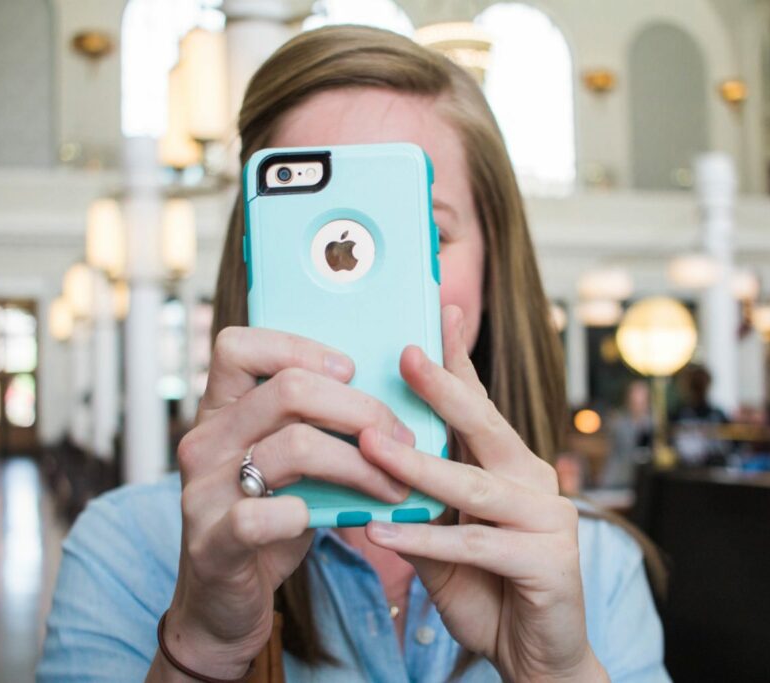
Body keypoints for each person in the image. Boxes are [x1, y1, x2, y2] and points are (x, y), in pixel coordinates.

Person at [38, 26, 668, 682]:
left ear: (492, 265)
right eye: (326, 239)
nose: (362, 277)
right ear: (251, 262)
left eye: (425, 229)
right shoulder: (125, 549)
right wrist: (200, 645)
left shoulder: (594, 568)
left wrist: (558, 673)